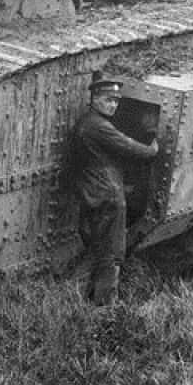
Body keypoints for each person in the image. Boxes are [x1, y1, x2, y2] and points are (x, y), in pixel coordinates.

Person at [71, 77, 159, 305]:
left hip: (93, 193)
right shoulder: (97, 125)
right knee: (112, 253)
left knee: (98, 248)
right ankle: (106, 309)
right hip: (107, 195)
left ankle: (82, 300)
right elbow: (128, 146)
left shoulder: (88, 122)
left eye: (116, 102)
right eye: (107, 100)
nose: (112, 105)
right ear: (94, 99)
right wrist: (152, 149)